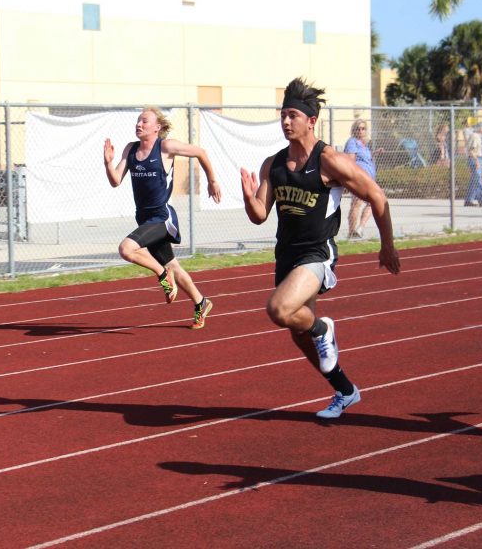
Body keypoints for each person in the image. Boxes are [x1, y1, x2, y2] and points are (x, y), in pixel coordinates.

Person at [240, 78, 401, 418]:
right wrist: (248, 194)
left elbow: (376, 195)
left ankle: (322, 328)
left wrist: (387, 245)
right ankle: (345, 391)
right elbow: (258, 215)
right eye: (283, 114)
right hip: (286, 256)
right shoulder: (274, 164)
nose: (285, 121)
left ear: (311, 121)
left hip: (317, 255)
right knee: (298, 334)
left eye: (293, 115)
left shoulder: (330, 161)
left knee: (279, 310)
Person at [104, 107, 222, 329]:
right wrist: (108, 163)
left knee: (126, 249)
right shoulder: (131, 149)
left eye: (145, 121)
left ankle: (161, 274)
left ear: (157, 127)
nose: (139, 124)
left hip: (162, 218)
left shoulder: (166, 147)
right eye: (138, 120)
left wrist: (212, 180)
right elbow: (115, 180)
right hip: (144, 219)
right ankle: (201, 302)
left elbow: (200, 152)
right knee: (174, 267)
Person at [342, 119, 381, 238]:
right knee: (357, 203)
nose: (360, 131)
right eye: (358, 128)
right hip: (359, 178)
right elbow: (350, 161)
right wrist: (348, 181)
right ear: (354, 130)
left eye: (363, 128)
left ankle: (360, 228)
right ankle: (352, 232)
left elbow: (363, 159)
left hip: (369, 179)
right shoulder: (352, 142)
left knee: (373, 202)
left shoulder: (364, 144)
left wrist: (374, 153)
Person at [463, 125, 482, 207]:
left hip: (477, 158)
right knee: (477, 179)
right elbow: (471, 150)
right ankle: (479, 199)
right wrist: (476, 161)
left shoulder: (478, 136)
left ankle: (472, 199)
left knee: (475, 180)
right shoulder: (475, 136)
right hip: (475, 158)